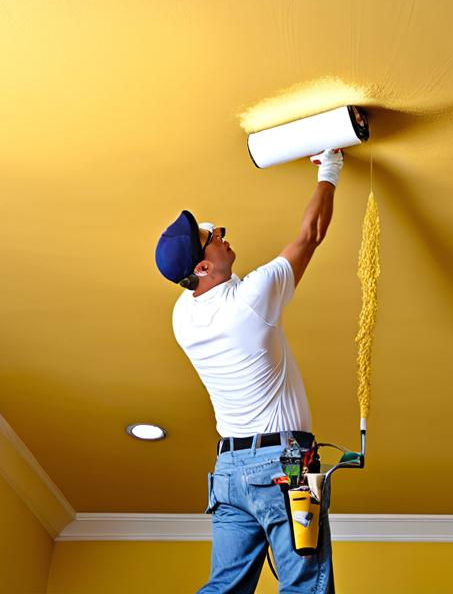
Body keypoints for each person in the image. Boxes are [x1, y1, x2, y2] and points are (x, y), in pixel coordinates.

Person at [154, 149, 344, 594]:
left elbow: (212, 281)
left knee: (224, 588)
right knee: (305, 586)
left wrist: (212, 250)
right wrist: (331, 166)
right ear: (201, 267)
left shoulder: (183, 315)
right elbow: (311, 234)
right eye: (211, 236)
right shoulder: (251, 301)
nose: (220, 231)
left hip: (229, 475)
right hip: (286, 466)